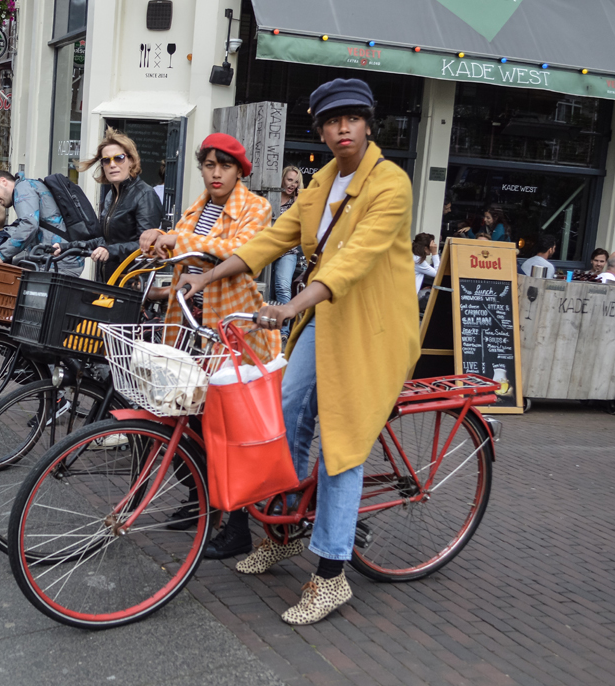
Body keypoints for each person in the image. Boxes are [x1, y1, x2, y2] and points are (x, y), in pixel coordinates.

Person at [176, 78, 419, 626]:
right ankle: (285, 531)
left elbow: (352, 260)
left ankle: (331, 575)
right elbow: (271, 240)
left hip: (371, 328)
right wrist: (206, 275)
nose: (342, 130)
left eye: (351, 119)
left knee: (342, 445)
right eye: (331, 122)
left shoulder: (391, 184)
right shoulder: (321, 183)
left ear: (368, 123)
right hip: (324, 319)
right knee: (284, 418)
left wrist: (289, 306)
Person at [139, 133, 281, 363]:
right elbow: (178, 242)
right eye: (209, 165)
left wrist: (178, 241)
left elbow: (240, 250)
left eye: (225, 166)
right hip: (188, 313)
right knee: (185, 388)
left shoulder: (256, 207)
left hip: (228, 314)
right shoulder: (197, 207)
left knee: (224, 390)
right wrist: (158, 238)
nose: (216, 173)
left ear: (239, 171)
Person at [72, 128, 164, 283]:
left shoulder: (144, 194)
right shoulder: (111, 195)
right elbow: (106, 241)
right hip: (109, 281)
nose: (112, 164)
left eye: (119, 158)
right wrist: (67, 247)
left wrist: (110, 251)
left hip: (131, 284)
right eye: (106, 160)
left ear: (132, 161)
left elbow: (147, 246)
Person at [0, 170, 80, 274]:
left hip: (59, 261)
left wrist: (0, 256)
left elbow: (28, 225)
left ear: (3, 181)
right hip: (57, 258)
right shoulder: (26, 187)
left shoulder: (23, 189)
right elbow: (20, 226)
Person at [269, 166, 305, 325]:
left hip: (287, 251)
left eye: (296, 182)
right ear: (282, 178)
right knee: (264, 290)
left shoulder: (295, 202)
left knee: (283, 288)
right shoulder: (271, 197)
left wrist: (298, 201)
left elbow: (301, 225)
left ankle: (283, 332)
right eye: (289, 180)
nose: (292, 185)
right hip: (268, 248)